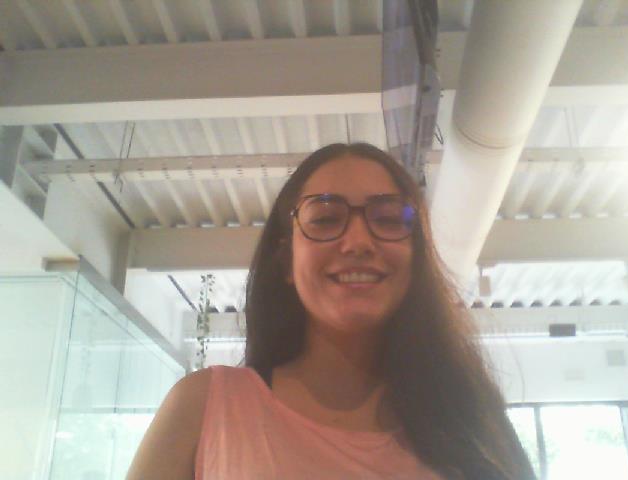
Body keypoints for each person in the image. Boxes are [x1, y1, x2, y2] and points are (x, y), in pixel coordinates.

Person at [126, 143, 535, 480]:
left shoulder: (473, 423)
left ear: (416, 256)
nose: (358, 242)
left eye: (388, 219)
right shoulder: (205, 407)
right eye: (324, 219)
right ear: (287, 261)